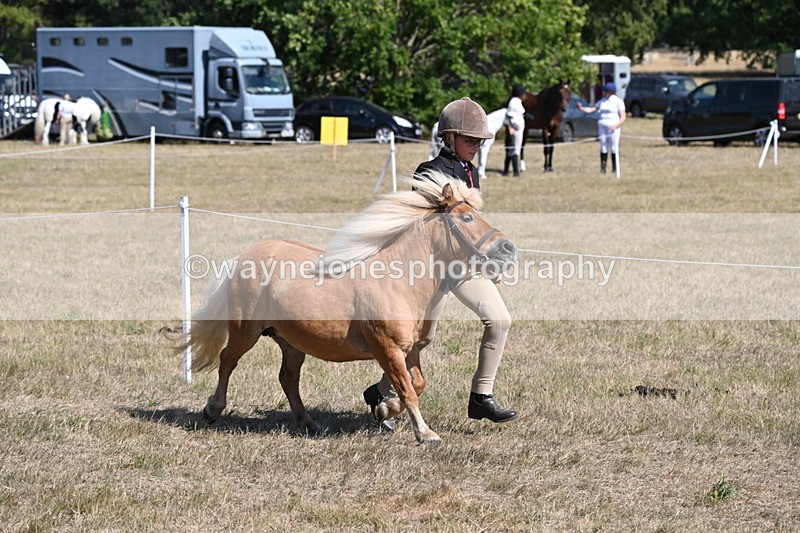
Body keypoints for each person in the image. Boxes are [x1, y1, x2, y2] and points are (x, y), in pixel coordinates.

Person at [363, 97, 518, 430]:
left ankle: (481, 397)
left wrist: (488, 258)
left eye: (480, 141)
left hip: (463, 269)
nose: (476, 146)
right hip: (430, 274)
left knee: (499, 320)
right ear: (448, 138)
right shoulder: (429, 172)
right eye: (470, 140)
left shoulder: (470, 171)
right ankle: (379, 393)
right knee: (418, 340)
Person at [577, 82, 626, 174]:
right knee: (603, 146)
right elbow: (592, 109)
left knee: (613, 147)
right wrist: (582, 108)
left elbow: (623, 116)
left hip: (613, 127)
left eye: (606, 91)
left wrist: (615, 126)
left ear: (611, 92)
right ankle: (603, 168)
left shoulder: (618, 101)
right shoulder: (602, 101)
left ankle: (615, 168)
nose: (605, 92)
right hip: (602, 126)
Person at [502, 85, 526, 177]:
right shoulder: (513, 102)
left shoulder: (517, 102)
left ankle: (506, 170)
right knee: (514, 149)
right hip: (515, 129)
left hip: (518, 129)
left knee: (513, 149)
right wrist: (512, 127)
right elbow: (510, 115)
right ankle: (515, 171)